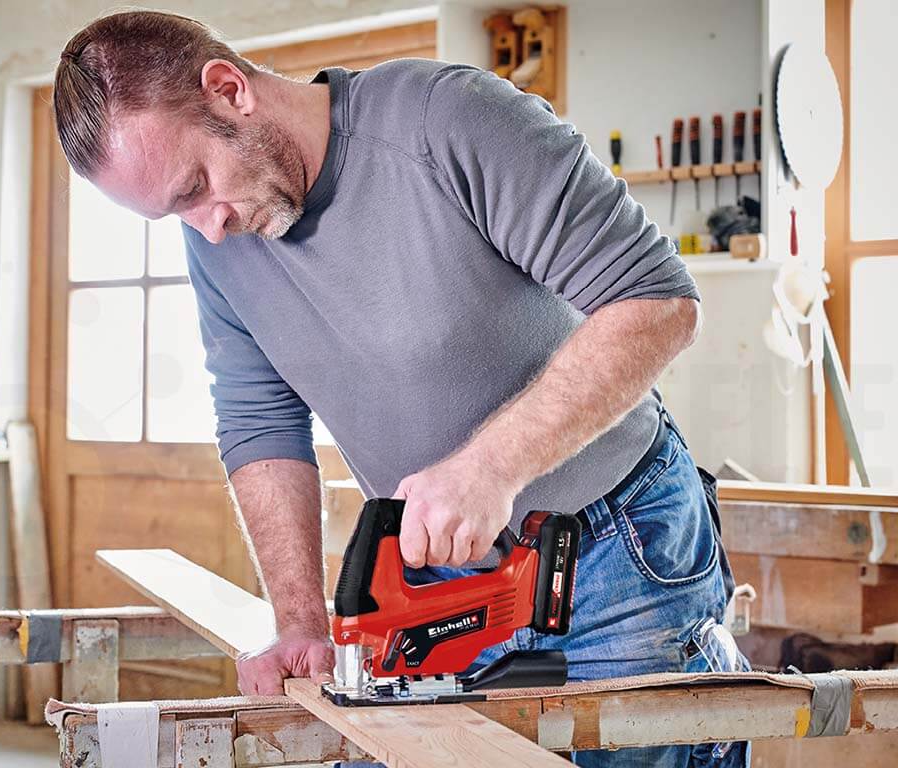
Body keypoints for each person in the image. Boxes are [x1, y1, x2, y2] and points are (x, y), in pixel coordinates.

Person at [53, 10, 749, 766]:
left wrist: (490, 468)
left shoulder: (445, 121)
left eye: (195, 187)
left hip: (616, 542)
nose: (207, 227)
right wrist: (300, 624)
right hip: (443, 573)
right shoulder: (216, 238)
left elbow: (659, 302)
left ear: (228, 91)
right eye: (175, 213)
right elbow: (260, 426)